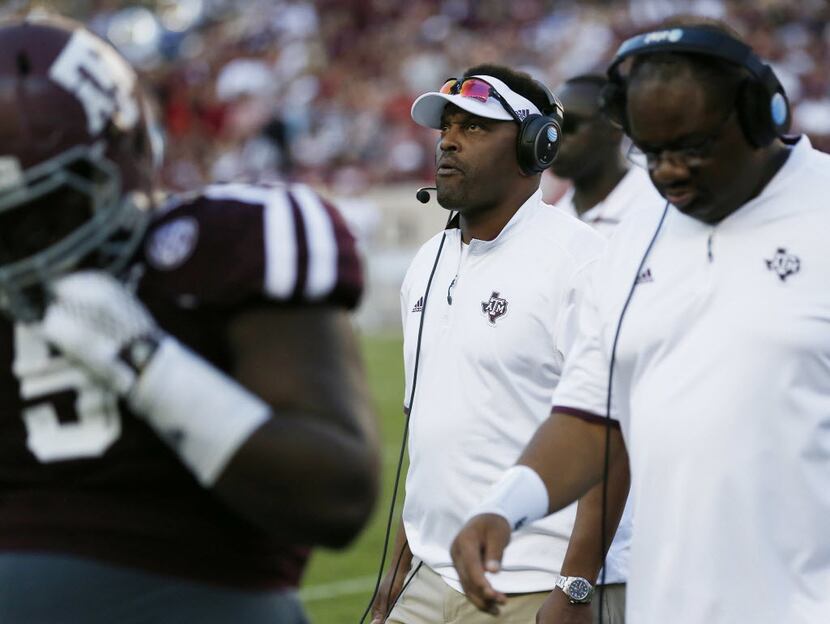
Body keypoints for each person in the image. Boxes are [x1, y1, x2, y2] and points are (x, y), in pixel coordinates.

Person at [0, 15, 379, 624]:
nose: (27, 247)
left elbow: (334, 496)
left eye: (53, 207)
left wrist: (143, 360)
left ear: (127, 150)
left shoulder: (222, 239)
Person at [450, 18, 830, 624]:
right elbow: (592, 413)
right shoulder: (634, 237)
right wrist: (505, 505)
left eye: (693, 146)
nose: (670, 172)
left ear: (762, 115)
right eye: (651, 152)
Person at [368, 64, 605, 623]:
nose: (448, 140)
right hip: (426, 577)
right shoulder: (427, 263)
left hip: (527, 583)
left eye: (474, 127)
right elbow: (427, 444)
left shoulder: (582, 263)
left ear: (534, 147)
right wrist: (396, 571)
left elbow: (611, 438)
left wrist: (573, 588)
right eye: (446, 127)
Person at [538, 74, 664, 624]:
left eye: (574, 126)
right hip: (561, 524)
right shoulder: (554, 224)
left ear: (616, 129)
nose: (557, 139)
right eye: (552, 127)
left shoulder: (662, 209)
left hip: (651, 527)